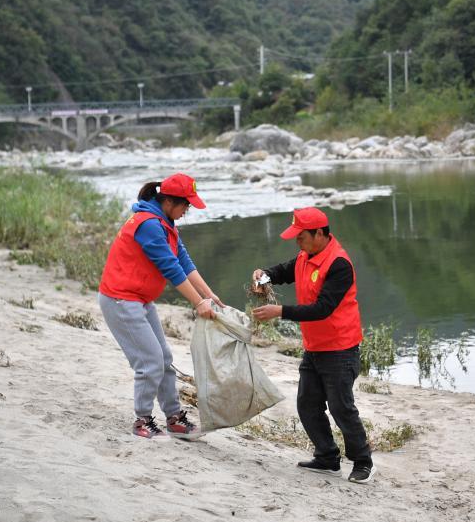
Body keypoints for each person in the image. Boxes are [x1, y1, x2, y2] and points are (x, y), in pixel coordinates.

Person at [251, 207, 374, 483]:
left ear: (320, 233)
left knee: (341, 406)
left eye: (301, 237)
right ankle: (327, 457)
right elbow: (282, 271)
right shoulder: (305, 256)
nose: (298, 242)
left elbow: (323, 309)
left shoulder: (339, 264)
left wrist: (279, 311)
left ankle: (363, 461)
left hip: (340, 347)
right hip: (315, 346)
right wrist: (263, 276)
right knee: (307, 403)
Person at [98, 173, 222, 440]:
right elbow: (170, 268)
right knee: (150, 361)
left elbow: (184, 262)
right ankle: (142, 420)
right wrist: (198, 303)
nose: (187, 210)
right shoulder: (149, 225)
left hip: (139, 300)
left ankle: (174, 418)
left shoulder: (166, 223)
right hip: (120, 300)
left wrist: (209, 294)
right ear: (168, 201)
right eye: (186, 205)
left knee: (164, 359)